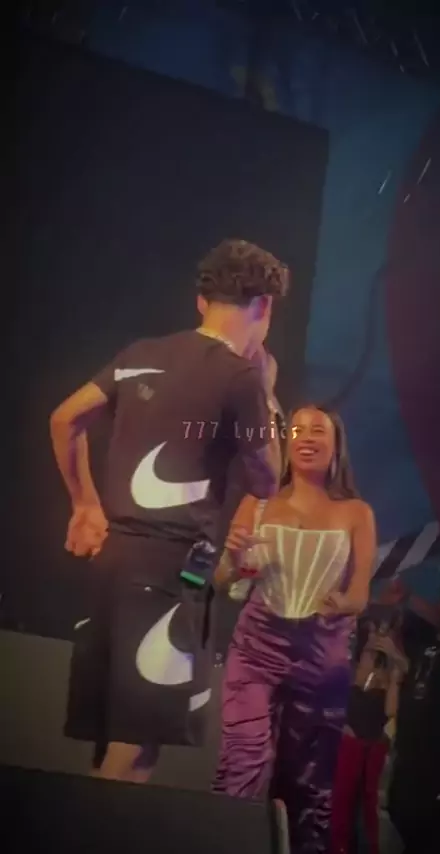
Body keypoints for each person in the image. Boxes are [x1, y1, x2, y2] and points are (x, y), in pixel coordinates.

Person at [49, 238, 288, 783]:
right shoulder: (242, 378)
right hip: (170, 569)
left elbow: (64, 418)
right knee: (135, 746)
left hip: (115, 558)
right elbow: (267, 478)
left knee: (120, 738)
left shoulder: (141, 353)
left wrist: (85, 503)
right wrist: (269, 393)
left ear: (202, 301)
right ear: (265, 307)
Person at [213, 404, 376, 854]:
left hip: (322, 652)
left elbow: (360, 593)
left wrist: (342, 603)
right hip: (257, 644)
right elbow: (226, 579)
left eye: (317, 430)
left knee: (308, 779)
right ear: (287, 443)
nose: (306, 437)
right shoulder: (257, 504)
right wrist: (234, 559)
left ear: (336, 445)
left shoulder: (357, 512)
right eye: (298, 429)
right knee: (243, 759)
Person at [379, 577, 440, 854]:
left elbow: (439, 619)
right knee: (398, 809)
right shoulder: (424, 638)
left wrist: (410, 596)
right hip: (410, 748)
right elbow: (396, 620)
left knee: (433, 824)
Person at [329, 615, 408, 854]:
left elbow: (390, 711)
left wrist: (394, 678)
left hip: (371, 749)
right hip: (348, 744)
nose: (377, 638)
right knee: (340, 801)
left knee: (366, 806)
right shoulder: (353, 667)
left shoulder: (390, 674)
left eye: (382, 634)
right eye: (374, 633)